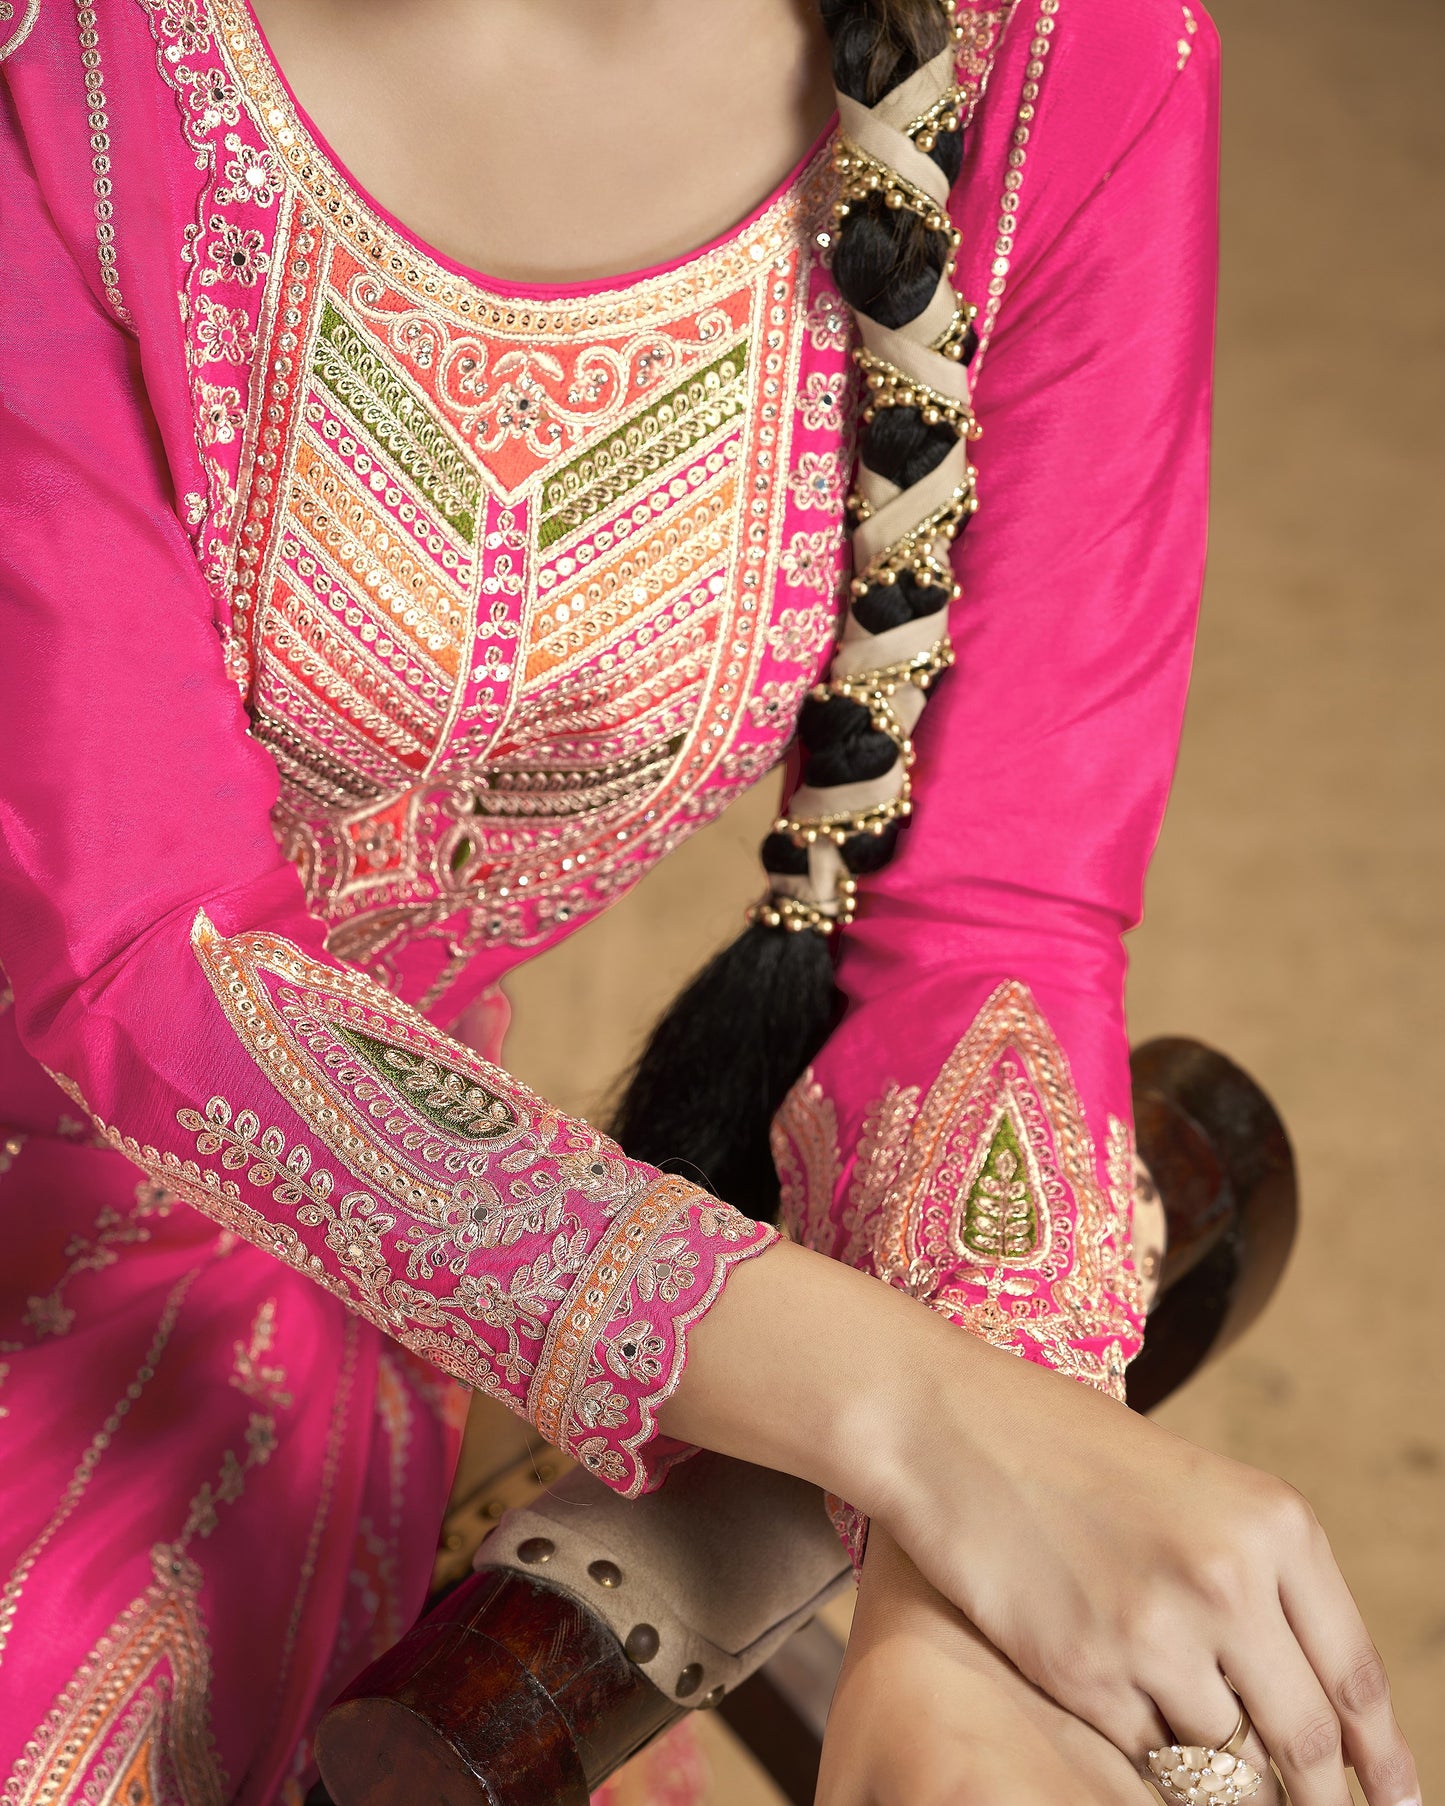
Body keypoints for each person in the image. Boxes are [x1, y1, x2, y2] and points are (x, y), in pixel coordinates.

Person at [0, 2, 1419, 1803]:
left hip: (367, 1248)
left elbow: (991, 919)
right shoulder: (58, 65)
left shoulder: (1063, 64)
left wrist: (951, 1642)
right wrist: (911, 1418)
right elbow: (143, 965)